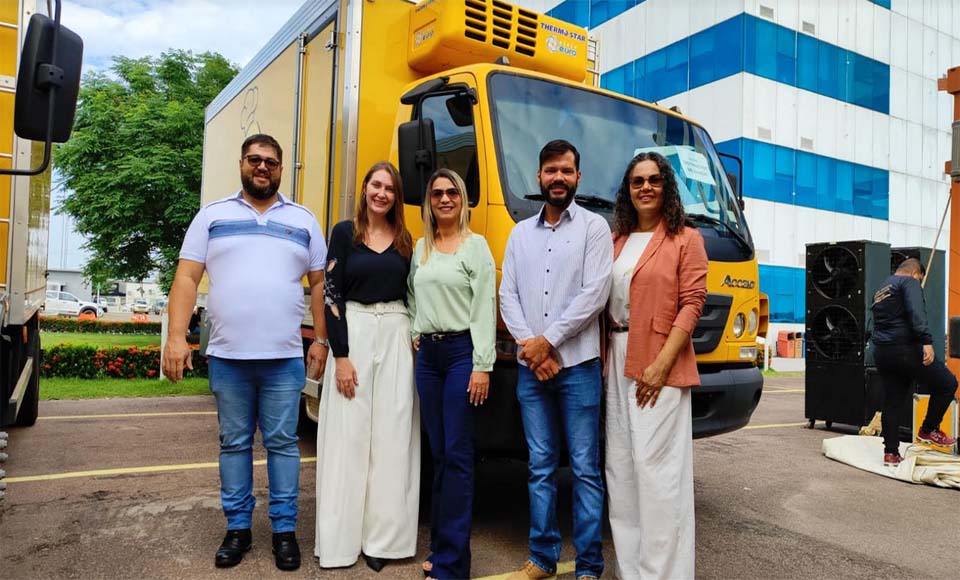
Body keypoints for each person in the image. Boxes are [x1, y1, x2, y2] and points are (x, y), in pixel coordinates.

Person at [162, 133, 328, 572]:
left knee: (283, 445)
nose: (262, 167)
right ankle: (238, 529)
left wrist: (322, 340)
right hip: (229, 357)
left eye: (271, 162)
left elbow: (319, 286)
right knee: (234, 443)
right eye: (254, 159)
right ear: (241, 164)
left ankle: (284, 531)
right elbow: (186, 278)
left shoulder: (304, 220)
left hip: (284, 359)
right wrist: (176, 337)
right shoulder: (212, 216)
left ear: (281, 169)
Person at [499, 140, 613, 580]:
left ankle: (588, 566)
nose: (558, 178)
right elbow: (507, 295)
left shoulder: (594, 229)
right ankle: (542, 558)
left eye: (566, 170)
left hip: (579, 367)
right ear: (539, 176)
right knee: (540, 466)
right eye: (551, 170)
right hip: (532, 370)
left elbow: (594, 294)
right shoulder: (519, 234)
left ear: (578, 177)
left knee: (584, 469)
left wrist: (547, 342)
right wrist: (532, 347)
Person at [605, 151, 707, 580]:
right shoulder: (618, 240)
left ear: (666, 186)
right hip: (616, 356)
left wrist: (662, 364)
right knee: (622, 473)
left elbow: (693, 304)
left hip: (659, 362)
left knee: (658, 477)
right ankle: (631, 572)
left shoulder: (686, 238)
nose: (645, 187)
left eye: (654, 180)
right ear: (628, 190)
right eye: (637, 181)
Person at [313, 161, 420, 572]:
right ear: (364, 189)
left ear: (396, 196)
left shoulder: (406, 240)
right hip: (354, 332)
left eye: (389, 188)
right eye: (376, 185)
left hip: (396, 332)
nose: (382, 193)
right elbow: (332, 295)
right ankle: (340, 542)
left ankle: (384, 542)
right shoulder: (344, 233)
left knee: (393, 437)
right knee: (348, 438)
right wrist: (341, 355)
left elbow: (413, 295)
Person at [408, 168, 496, 580]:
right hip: (429, 358)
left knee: (458, 455)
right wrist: (415, 330)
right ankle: (441, 546)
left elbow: (484, 306)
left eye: (452, 193)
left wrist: (482, 364)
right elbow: (412, 293)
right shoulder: (421, 248)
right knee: (439, 453)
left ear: (462, 200)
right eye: (437, 193)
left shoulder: (475, 247)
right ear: (429, 202)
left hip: (462, 355)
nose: (444, 199)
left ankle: (453, 565)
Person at [871, 258, 958, 466]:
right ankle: (929, 429)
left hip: (882, 351)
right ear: (915, 273)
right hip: (905, 349)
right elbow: (916, 312)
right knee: (947, 384)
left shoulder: (882, 288)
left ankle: (891, 453)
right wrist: (926, 341)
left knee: (892, 400)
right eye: (920, 279)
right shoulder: (909, 282)